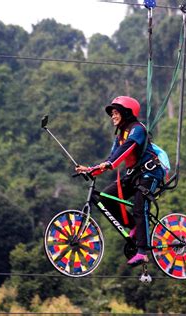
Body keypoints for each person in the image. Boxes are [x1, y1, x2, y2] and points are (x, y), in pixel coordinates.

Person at [75, 96, 164, 266]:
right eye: (112, 114)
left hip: (150, 173)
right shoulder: (120, 135)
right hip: (134, 174)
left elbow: (126, 149)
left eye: (116, 113)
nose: (113, 116)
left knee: (140, 206)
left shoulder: (137, 129)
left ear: (126, 113)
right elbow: (111, 157)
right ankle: (134, 227)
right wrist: (90, 169)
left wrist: (110, 163)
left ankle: (143, 251)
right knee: (106, 197)